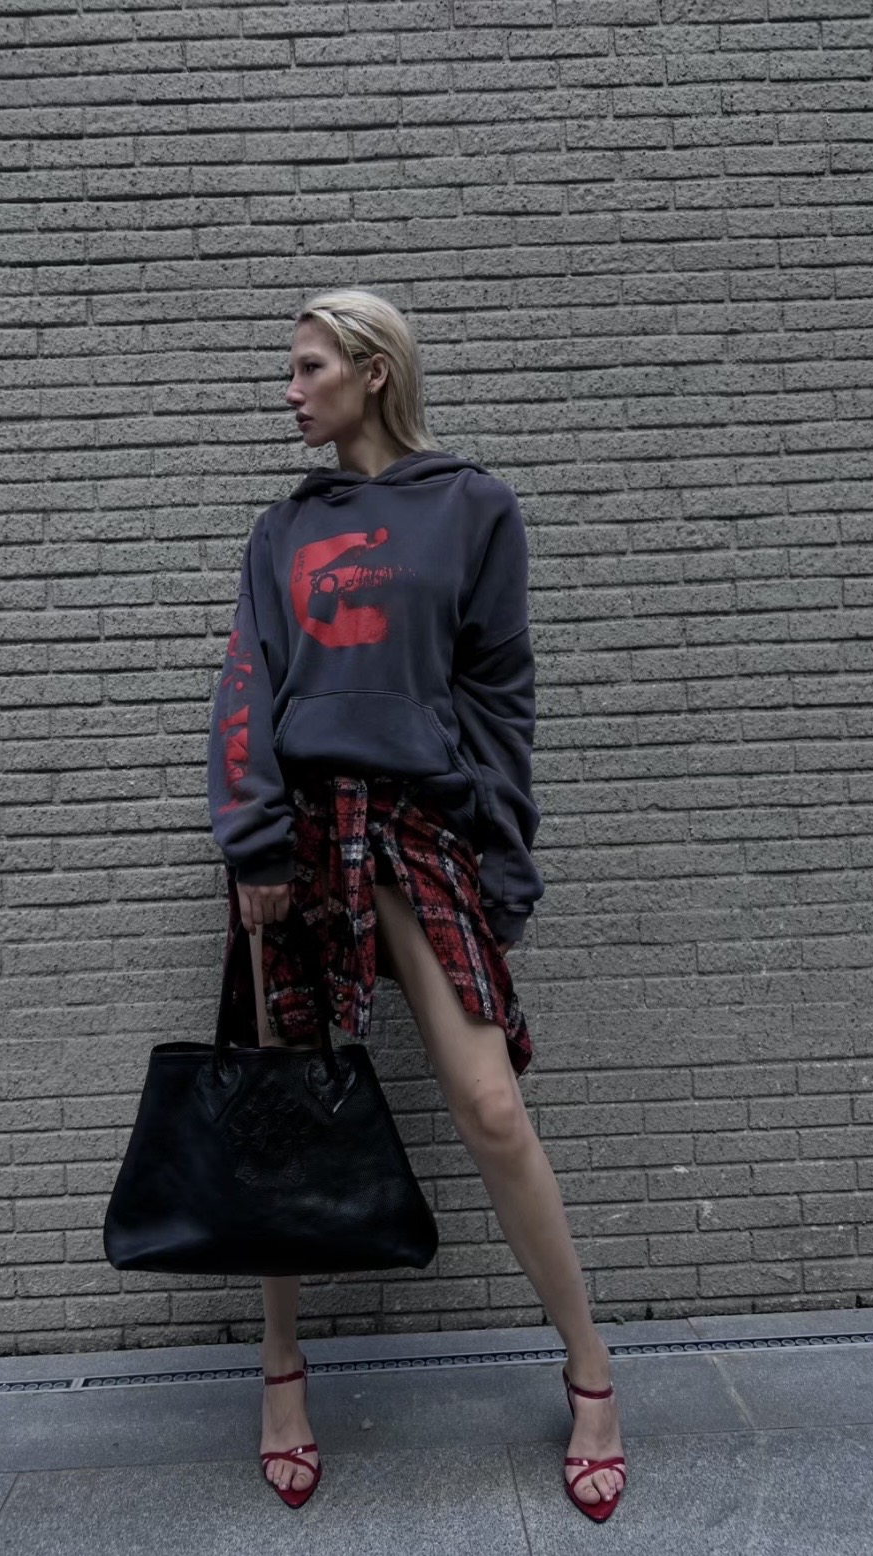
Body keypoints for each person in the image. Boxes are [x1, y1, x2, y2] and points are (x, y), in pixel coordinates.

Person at [207, 289, 626, 1523]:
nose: (289, 390)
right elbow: (246, 686)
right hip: (298, 829)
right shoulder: (282, 531)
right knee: (283, 1114)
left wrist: (504, 857)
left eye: (307, 367)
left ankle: (591, 1371)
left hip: (421, 826)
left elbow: (499, 695)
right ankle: (282, 1371)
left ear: (374, 370)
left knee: (491, 1105)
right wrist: (252, 838)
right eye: (290, 370)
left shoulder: (473, 508)